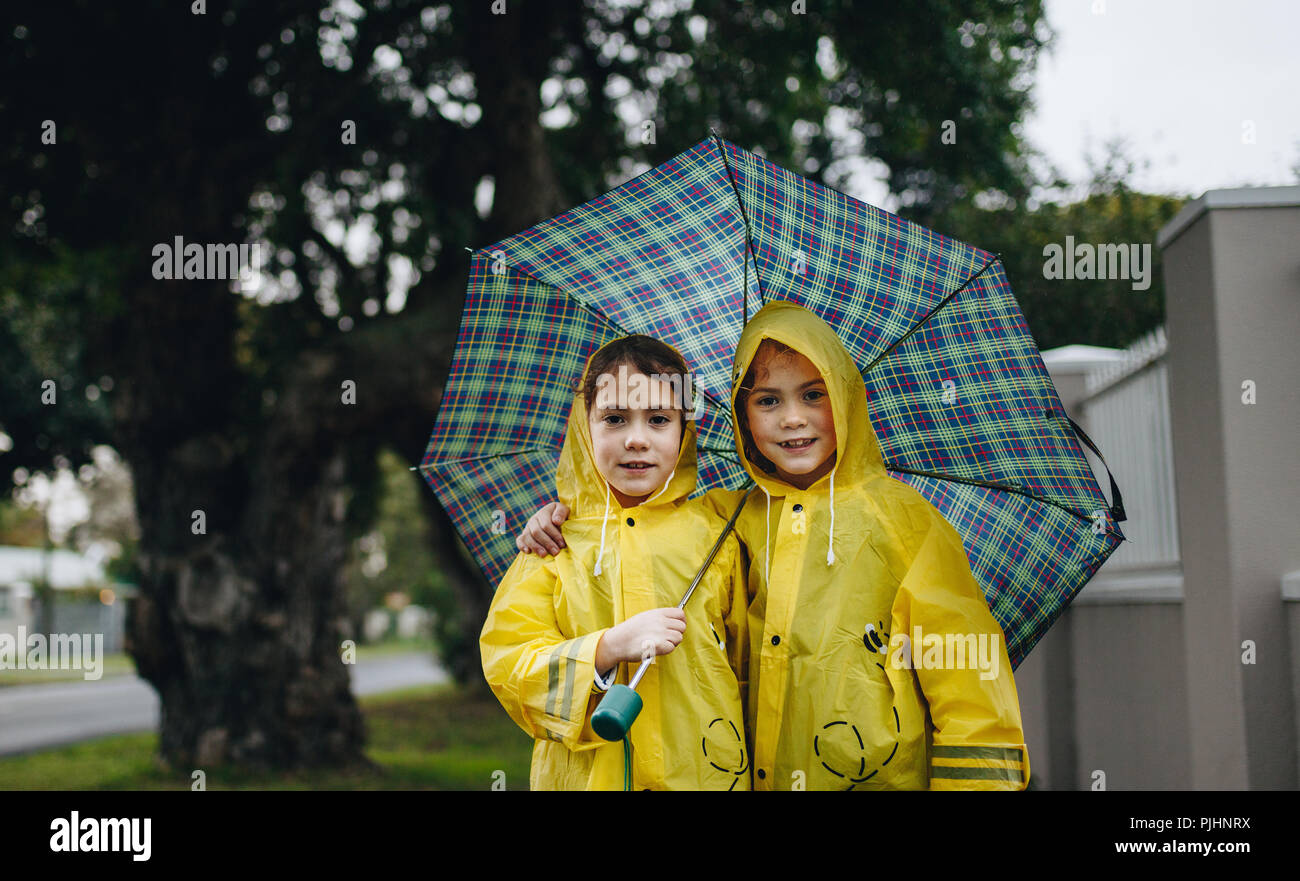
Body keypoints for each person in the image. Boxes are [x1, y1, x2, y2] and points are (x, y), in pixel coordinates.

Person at [517, 303, 1030, 790]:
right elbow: (646, 527)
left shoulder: (906, 522)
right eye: (767, 400)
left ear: (847, 398)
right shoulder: (728, 519)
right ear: (742, 416)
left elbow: (968, 677)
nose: (791, 419)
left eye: (814, 394)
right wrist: (561, 514)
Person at [480, 335, 750, 790]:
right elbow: (510, 665)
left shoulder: (720, 532)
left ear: (684, 431)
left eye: (660, 419)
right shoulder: (554, 545)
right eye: (615, 418)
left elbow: (749, 663)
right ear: (585, 429)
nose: (637, 439)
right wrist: (605, 648)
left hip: (703, 772)